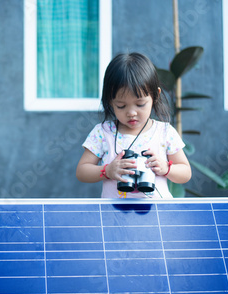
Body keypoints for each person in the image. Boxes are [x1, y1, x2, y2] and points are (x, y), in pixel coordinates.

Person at [76, 52, 191, 198]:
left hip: (158, 215)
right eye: (121, 106)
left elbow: (185, 173)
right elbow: (82, 171)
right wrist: (107, 171)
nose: (131, 113)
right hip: (115, 216)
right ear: (110, 101)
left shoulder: (164, 132)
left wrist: (165, 168)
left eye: (140, 104)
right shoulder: (103, 132)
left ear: (155, 96)